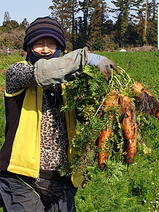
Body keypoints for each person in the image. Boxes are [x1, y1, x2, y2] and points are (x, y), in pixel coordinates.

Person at [0, 16, 119, 212]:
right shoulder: (17, 73)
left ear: (62, 49)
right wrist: (87, 59)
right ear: (28, 48)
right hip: (22, 179)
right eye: (39, 44)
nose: (45, 49)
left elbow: (88, 116)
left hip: (63, 180)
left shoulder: (71, 84)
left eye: (51, 43)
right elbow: (44, 72)